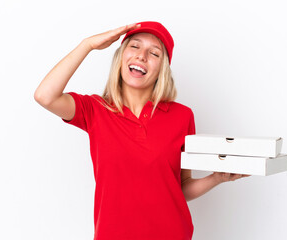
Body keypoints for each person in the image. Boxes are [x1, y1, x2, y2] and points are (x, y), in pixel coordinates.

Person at [34, 21, 249, 240]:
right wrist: (87, 45)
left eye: (154, 53)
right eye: (134, 46)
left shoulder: (182, 116)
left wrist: (217, 178)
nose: (142, 56)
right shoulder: (96, 110)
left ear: (162, 69)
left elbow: (180, 187)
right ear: (121, 57)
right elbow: (45, 96)